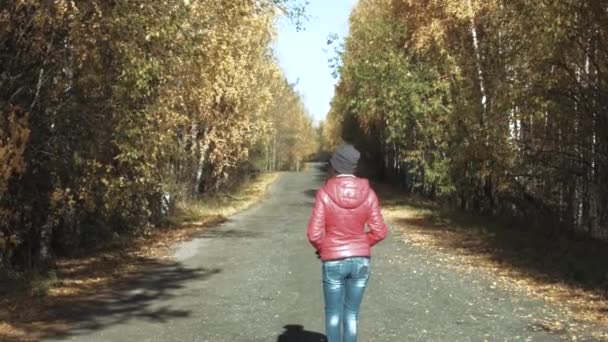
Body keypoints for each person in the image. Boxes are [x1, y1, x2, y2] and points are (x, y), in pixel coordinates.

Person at [307, 144, 388, 342]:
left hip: (333, 261)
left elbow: (314, 234)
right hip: (361, 261)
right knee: (351, 314)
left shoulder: (325, 193)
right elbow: (380, 231)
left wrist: (326, 248)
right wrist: (359, 244)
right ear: (353, 167)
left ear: (335, 166)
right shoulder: (369, 193)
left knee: (333, 314)